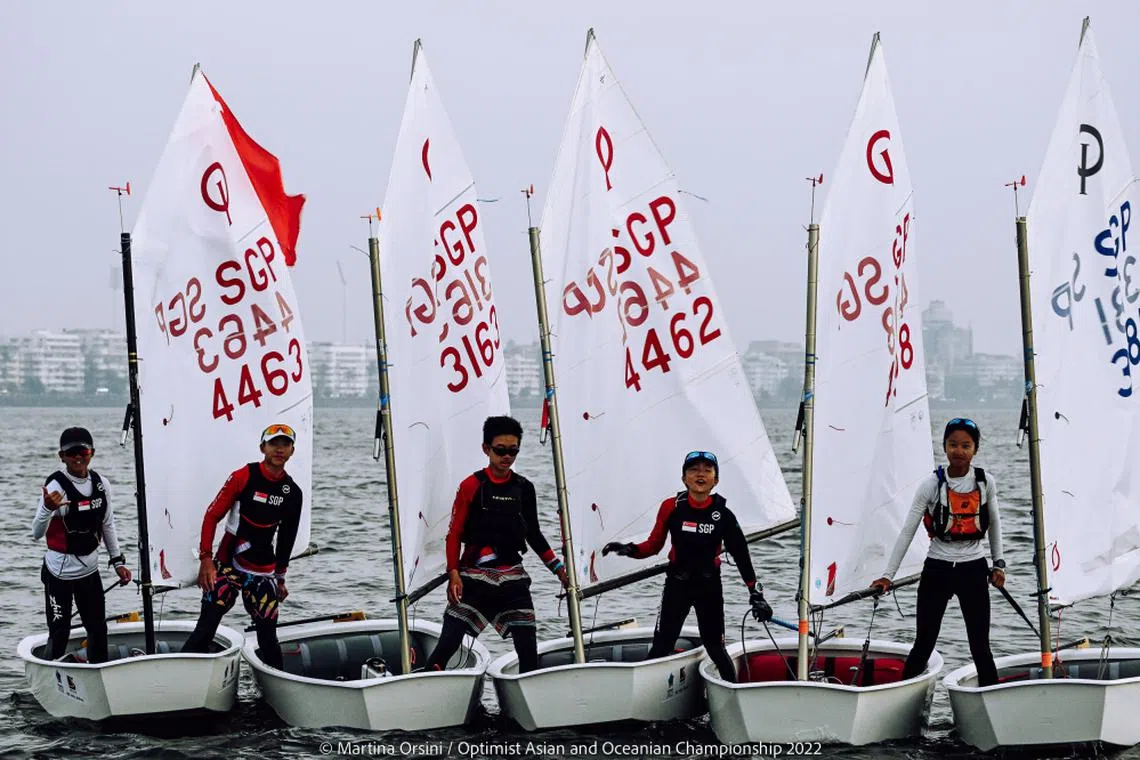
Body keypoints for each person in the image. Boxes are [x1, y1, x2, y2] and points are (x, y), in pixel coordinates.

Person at [602, 450, 772, 683]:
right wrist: (629, 549)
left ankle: (732, 695)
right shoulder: (671, 507)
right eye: (693, 469)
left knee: (715, 648)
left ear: (716, 480)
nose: (700, 474)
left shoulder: (723, 514)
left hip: (709, 587)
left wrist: (755, 592)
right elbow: (653, 546)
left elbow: (741, 554)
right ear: (684, 478)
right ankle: (647, 701)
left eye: (707, 470)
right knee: (661, 647)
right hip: (677, 586)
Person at [423, 416, 568, 673]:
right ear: (486, 449)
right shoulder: (471, 486)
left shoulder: (525, 488)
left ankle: (527, 694)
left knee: (528, 655)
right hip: (472, 580)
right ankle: (427, 686)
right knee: (444, 650)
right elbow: (453, 535)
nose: (507, 457)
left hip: (512, 580)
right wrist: (453, 574)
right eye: (501, 450)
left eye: (513, 451)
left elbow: (534, 534)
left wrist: (559, 569)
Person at [870, 417, 1005, 687]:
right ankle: (900, 694)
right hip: (937, 570)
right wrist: (888, 576)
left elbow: (995, 524)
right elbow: (907, 531)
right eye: (953, 444)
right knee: (924, 643)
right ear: (944, 447)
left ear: (975, 450)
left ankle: (992, 697)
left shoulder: (984, 482)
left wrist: (999, 565)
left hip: (973, 569)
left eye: (965, 445)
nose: (959, 451)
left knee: (980, 647)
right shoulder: (930, 485)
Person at [181, 423, 303, 668]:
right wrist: (206, 559)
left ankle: (278, 685)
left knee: (268, 636)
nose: (279, 449)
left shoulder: (292, 493)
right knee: (206, 626)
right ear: (262, 448)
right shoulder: (243, 476)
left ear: (291, 451)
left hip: (263, 570)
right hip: (228, 564)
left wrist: (280, 578)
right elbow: (212, 515)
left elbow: (286, 540)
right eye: (274, 444)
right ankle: (183, 674)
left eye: (285, 444)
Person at [32, 426, 133, 663]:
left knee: (98, 629)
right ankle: (53, 674)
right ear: (62, 457)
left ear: (92, 453)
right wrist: (48, 508)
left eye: (83, 451)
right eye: (71, 452)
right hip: (59, 575)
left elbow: (108, 525)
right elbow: (36, 532)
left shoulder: (101, 485)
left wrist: (117, 562)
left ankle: (98, 672)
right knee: (60, 632)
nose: (78, 457)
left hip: (89, 572)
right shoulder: (56, 487)